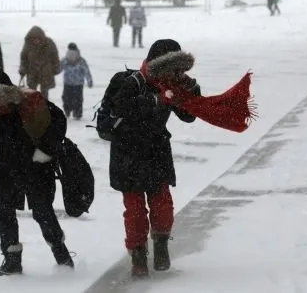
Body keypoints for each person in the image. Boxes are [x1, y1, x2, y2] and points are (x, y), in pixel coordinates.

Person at [0, 71, 75, 276]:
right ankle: (16, 260)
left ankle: (61, 257)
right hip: (12, 169)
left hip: (32, 167)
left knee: (39, 213)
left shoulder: (27, 103)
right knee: (9, 213)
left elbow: (57, 122)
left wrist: (46, 150)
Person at [109, 39, 201, 277]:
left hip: (156, 152)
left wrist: (190, 87)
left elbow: (189, 116)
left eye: (177, 69)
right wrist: (156, 100)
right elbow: (120, 107)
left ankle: (160, 246)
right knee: (135, 210)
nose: (173, 73)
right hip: (127, 154)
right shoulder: (132, 82)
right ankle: (138, 254)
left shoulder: (173, 83)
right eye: (169, 67)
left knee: (162, 206)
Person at [19, 26, 60, 100]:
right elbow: (24, 58)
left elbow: (55, 56)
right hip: (32, 72)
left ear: (41, 37)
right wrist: (22, 69)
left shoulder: (49, 43)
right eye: (33, 39)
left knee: (44, 94)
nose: (35, 41)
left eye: (37, 38)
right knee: (31, 93)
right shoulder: (28, 44)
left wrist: (56, 68)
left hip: (46, 72)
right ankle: (33, 108)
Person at [59, 42, 93, 120]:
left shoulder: (65, 59)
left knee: (66, 97)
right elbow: (86, 71)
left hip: (68, 82)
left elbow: (59, 69)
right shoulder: (81, 60)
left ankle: (67, 110)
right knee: (78, 99)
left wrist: (51, 73)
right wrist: (89, 80)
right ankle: (77, 113)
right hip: (78, 83)